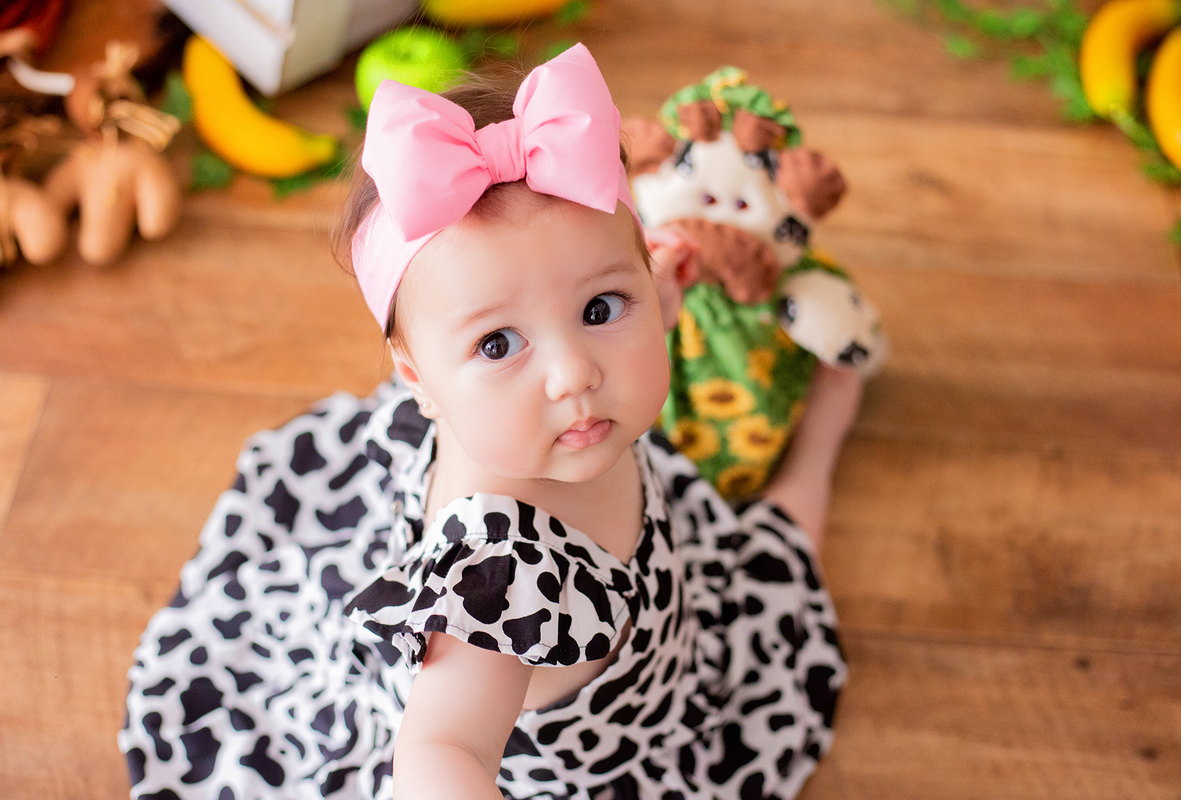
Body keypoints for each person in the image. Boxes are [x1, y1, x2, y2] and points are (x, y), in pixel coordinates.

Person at [119, 45, 857, 800]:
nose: (575, 373)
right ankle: (821, 441)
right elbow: (444, 749)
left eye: (601, 308)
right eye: (498, 343)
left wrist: (653, 301)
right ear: (419, 379)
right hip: (594, 762)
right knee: (781, 552)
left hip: (664, 605)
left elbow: (611, 308)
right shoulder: (497, 576)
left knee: (735, 554)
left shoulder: (548, 415)